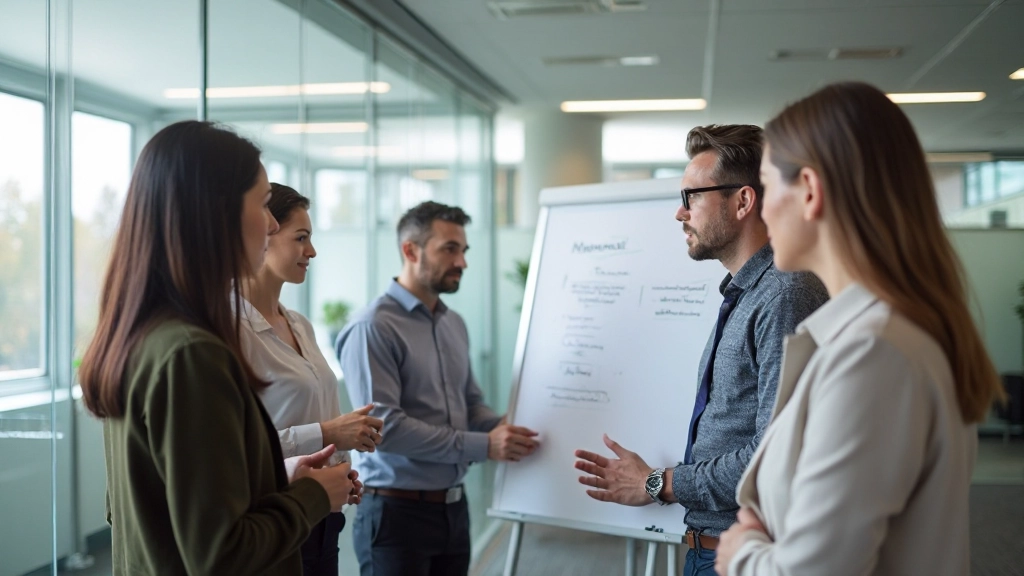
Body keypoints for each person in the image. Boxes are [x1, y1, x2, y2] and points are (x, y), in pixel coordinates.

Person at [713, 82, 1004, 576]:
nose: (760, 211)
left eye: (767, 186)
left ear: (809, 190)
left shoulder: (874, 354)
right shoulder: (883, 336)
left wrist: (742, 553)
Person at [78, 121, 354, 576]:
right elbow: (221, 554)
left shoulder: (144, 333)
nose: (269, 225)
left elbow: (161, 508)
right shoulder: (190, 353)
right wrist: (314, 497)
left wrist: (277, 483)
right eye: (264, 205)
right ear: (215, 212)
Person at [573, 125, 828, 575]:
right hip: (711, 549)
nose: (679, 212)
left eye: (692, 196)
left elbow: (773, 455)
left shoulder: (785, 294)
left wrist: (658, 483)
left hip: (748, 554)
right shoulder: (747, 293)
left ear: (743, 201)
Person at [336, 201, 540, 576]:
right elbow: (385, 429)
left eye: (463, 250)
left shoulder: (453, 324)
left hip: (453, 511)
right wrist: (486, 445)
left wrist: (504, 424)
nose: (461, 261)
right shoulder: (373, 327)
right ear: (410, 250)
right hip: (395, 516)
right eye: (449, 249)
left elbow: (471, 404)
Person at [238, 183, 385, 575]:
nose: (312, 251)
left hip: (322, 515)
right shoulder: (231, 331)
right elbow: (241, 447)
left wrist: (340, 466)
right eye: (300, 238)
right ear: (264, 233)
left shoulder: (300, 324)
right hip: (273, 518)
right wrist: (329, 432)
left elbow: (319, 416)